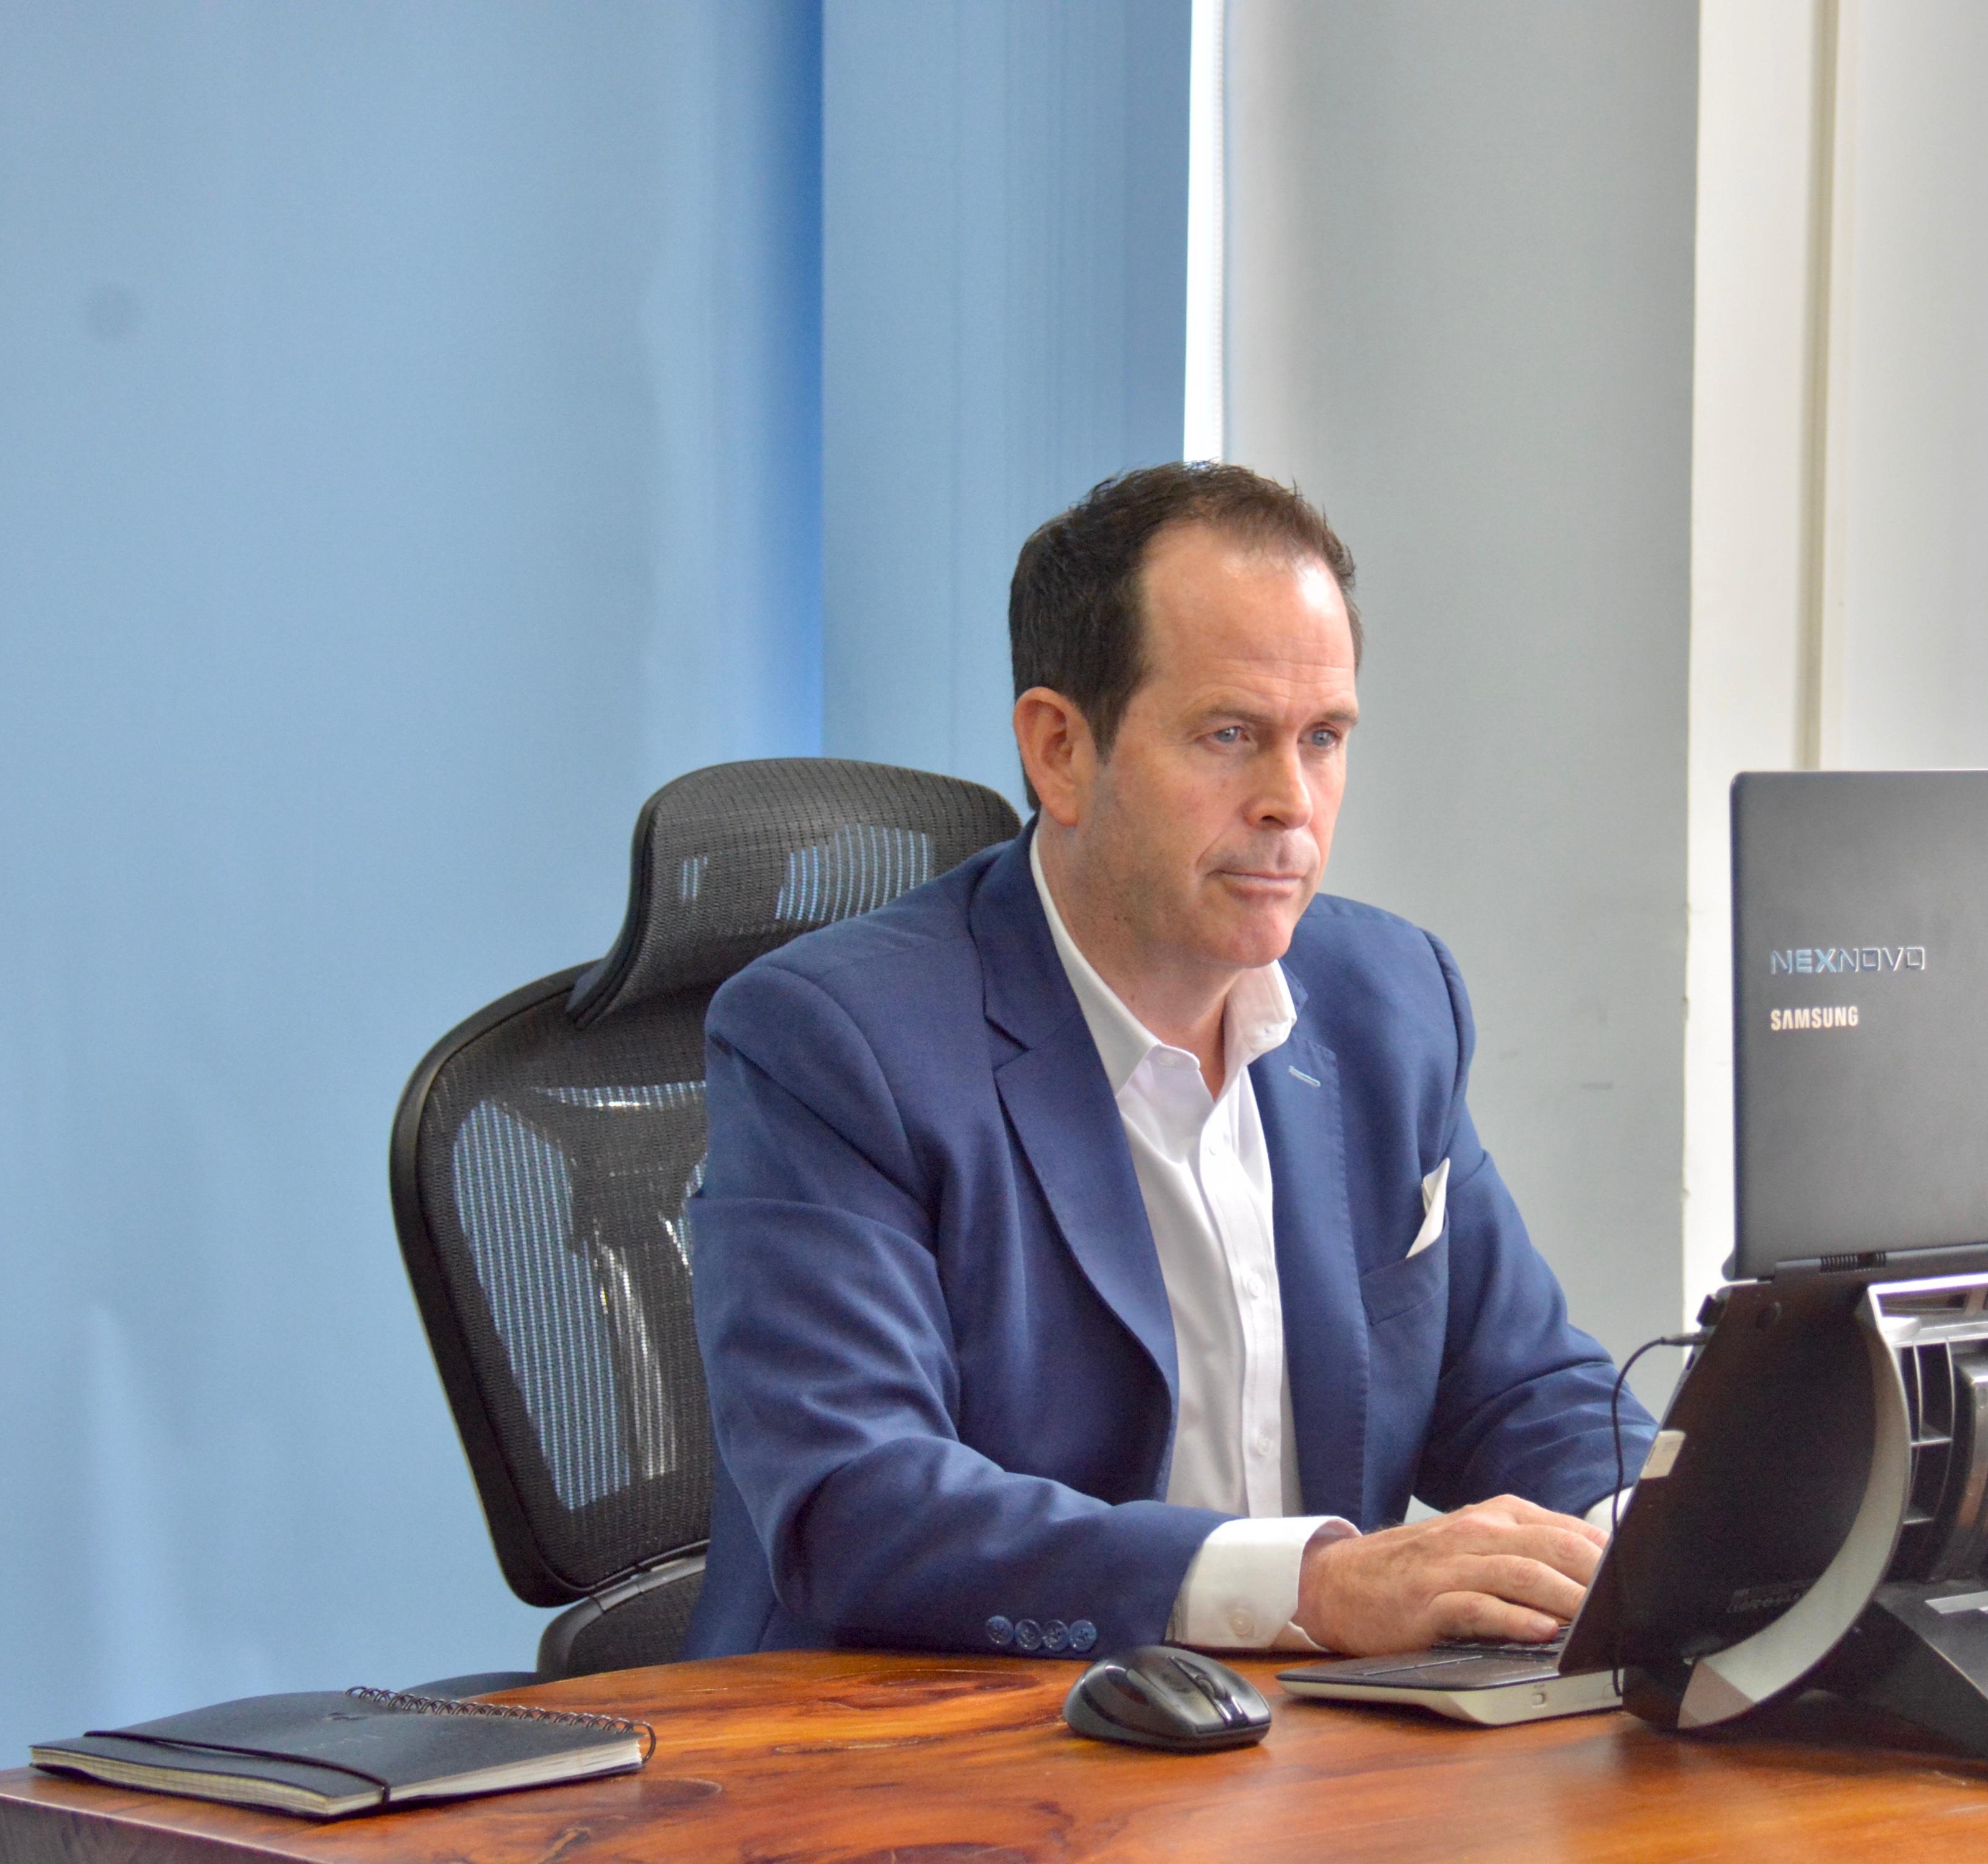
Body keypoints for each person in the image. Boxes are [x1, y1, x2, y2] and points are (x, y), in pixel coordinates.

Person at [683, 462, 1652, 1663]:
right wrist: (1311, 1587)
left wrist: (1654, 1540)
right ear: (1060, 751)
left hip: (1308, 1736)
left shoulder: (1393, 1001)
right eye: (1230, 735)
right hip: (932, 1736)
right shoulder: (834, 1041)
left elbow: (1519, 1387)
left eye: (1324, 739)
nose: (1291, 802)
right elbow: (861, 1502)